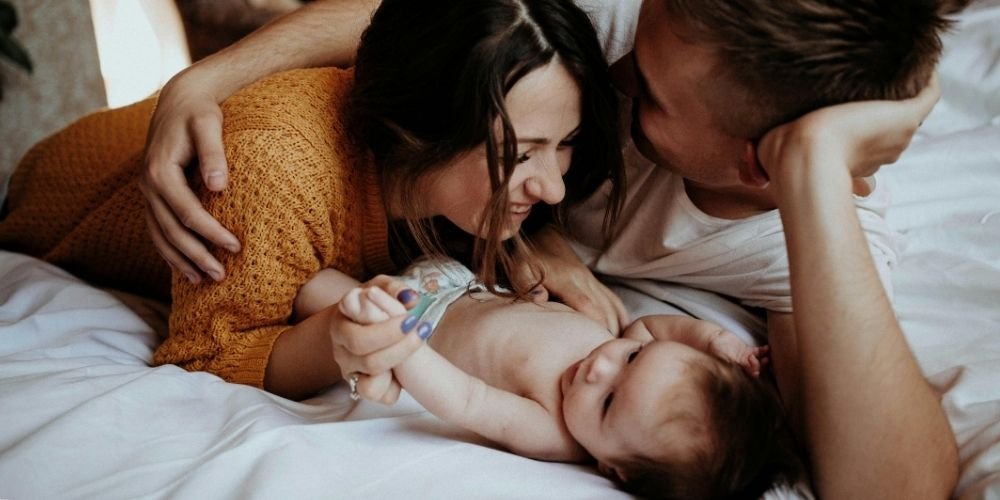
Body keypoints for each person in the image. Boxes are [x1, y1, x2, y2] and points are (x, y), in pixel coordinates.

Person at [136, 0, 962, 497]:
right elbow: (420, 26)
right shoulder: (659, 30)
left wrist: (812, 171)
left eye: (653, 96)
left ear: (760, 161)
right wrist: (204, 81)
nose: (623, 71)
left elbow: (898, 493)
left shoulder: (787, 238)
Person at [0, 0, 625, 401]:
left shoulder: (435, 95)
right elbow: (206, 355)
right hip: (48, 201)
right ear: (419, 131)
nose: (555, 188)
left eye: (563, 144)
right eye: (519, 156)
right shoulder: (275, 166)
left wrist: (535, 238)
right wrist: (342, 336)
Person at [299, 257, 791, 499]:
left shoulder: (552, 432)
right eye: (634, 358)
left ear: (613, 469)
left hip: (416, 317)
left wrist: (403, 347)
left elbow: (467, 400)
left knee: (313, 286)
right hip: (459, 279)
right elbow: (652, 328)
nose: (601, 366)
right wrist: (712, 340)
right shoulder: (613, 343)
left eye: (608, 402)